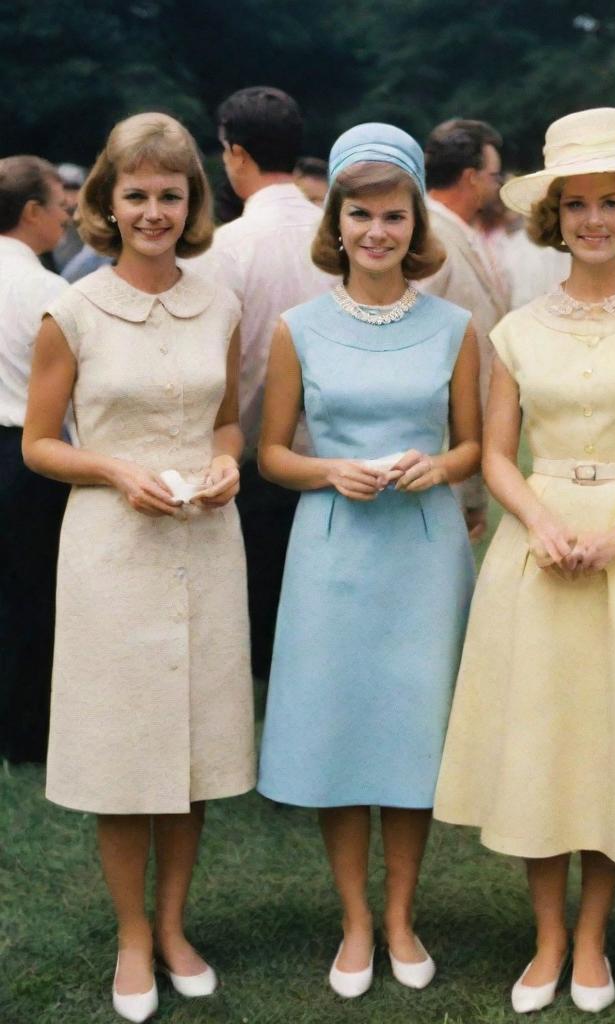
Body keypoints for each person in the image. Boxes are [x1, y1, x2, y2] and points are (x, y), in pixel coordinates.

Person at [434, 107, 615, 1014]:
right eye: (577, 205)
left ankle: (593, 936)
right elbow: (493, 452)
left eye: (611, 203)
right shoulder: (519, 330)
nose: (594, 220)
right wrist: (540, 522)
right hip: (543, 541)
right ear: (553, 217)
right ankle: (547, 937)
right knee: (543, 736)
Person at [21, 113, 255, 1023]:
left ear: (192, 201)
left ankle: (173, 925)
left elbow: (229, 419)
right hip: (112, 552)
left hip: (206, 541)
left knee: (193, 748)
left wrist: (229, 459)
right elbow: (41, 444)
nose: (154, 211)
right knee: (126, 750)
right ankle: (129, 936)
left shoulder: (222, 304)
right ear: (106, 205)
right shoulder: (70, 310)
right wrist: (117, 467)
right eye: (137, 195)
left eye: (170, 194)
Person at [256, 123, 481, 999]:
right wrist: (328, 469)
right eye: (361, 215)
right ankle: (354, 919)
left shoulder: (454, 326)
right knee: (343, 732)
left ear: (416, 223)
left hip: (422, 555)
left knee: (412, 736)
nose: (378, 232)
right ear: (337, 222)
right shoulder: (297, 327)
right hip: (333, 552)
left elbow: (473, 445)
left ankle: (400, 916)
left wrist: (441, 466)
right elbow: (271, 453)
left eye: (393, 215)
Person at [200, 85, 333, 680]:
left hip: (249, 460)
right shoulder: (338, 236)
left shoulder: (226, 248)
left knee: (254, 631)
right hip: (331, 455)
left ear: (236, 154)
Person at [0, 155, 69, 765]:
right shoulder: (47, 288)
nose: (66, 217)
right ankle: (24, 734)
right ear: (31, 212)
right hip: (27, 454)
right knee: (31, 594)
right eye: (60, 206)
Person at [419, 118, 508, 540]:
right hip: (436, 446)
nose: (498, 185)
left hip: (467, 441)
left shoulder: (463, 233)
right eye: (495, 176)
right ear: (471, 177)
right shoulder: (427, 237)